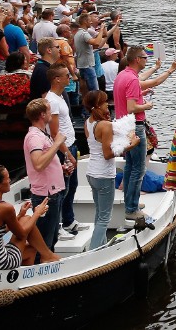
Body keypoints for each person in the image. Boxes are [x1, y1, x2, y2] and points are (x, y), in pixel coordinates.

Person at [114, 45, 176, 225]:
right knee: (138, 168)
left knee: (130, 166)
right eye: (144, 57)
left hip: (124, 126)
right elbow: (132, 107)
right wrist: (146, 106)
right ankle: (131, 209)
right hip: (135, 126)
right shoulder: (132, 79)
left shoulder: (123, 75)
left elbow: (139, 84)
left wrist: (156, 70)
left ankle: (130, 203)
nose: (146, 59)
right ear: (136, 60)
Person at [0, 163, 59, 272]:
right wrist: (37, 213)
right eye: (7, 178)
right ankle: (47, 256)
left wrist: (19, 215)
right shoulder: (4, 208)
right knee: (29, 231)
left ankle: (45, 257)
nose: (9, 181)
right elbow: (22, 234)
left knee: (26, 224)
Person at [82, 90, 138, 250]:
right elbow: (107, 154)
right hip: (104, 175)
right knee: (105, 218)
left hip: (91, 173)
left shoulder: (88, 123)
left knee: (99, 214)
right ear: (98, 106)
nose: (108, 104)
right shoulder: (105, 125)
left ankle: (101, 246)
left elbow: (99, 147)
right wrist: (130, 146)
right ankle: (93, 253)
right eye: (105, 102)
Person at [23, 98, 66, 251]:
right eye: (49, 111)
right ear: (42, 115)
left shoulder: (41, 134)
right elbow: (39, 164)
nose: (51, 114)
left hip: (53, 192)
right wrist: (57, 143)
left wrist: (59, 167)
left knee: (52, 237)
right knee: (45, 242)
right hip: (46, 195)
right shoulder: (35, 137)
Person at [44, 64, 80, 238]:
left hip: (71, 144)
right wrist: (68, 154)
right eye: (66, 74)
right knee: (62, 188)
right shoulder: (52, 101)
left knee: (72, 185)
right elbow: (54, 132)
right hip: (63, 149)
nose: (70, 77)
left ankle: (69, 219)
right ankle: (58, 226)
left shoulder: (60, 97)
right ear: (56, 79)